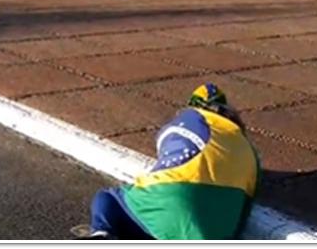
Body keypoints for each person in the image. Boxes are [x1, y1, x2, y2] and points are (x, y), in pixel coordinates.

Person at [76, 83, 260, 240]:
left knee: (110, 197)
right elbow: (247, 205)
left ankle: (102, 233)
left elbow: (166, 155)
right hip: (210, 233)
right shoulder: (250, 151)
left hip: (169, 199)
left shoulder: (188, 119)